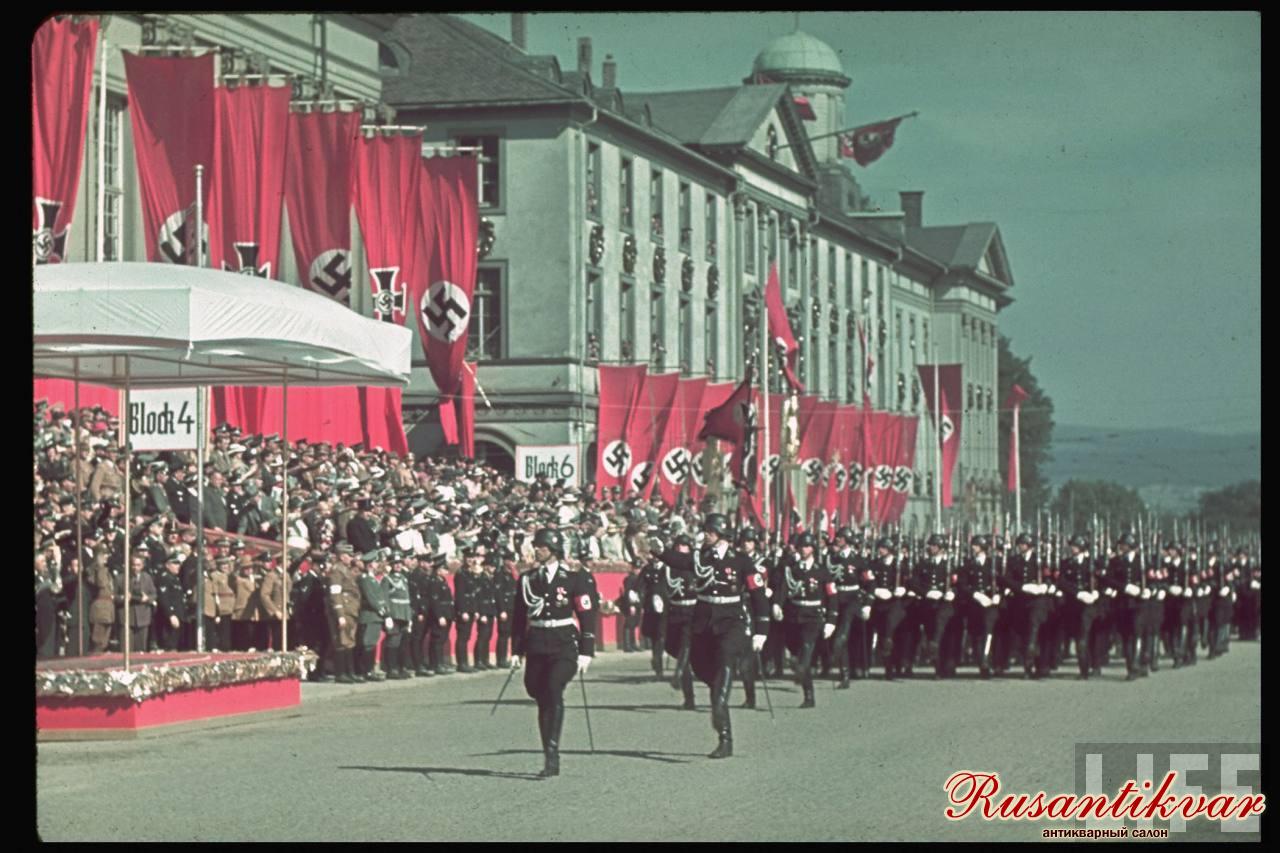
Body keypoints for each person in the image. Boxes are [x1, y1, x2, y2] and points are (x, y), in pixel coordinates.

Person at [510, 527, 596, 778]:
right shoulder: (527, 579)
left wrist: (587, 650)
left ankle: (551, 753)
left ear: (554, 550)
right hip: (537, 641)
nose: (537, 550)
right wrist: (516, 650)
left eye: (542, 546)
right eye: (536, 546)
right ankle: (548, 746)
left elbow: (586, 614)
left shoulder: (573, 579)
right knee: (537, 692)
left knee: (553, 688)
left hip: (564, 643)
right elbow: (518, 617)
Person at [686, 514, 769, 758]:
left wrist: (762, 631)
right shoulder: (702, 557)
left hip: (732, 624)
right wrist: (655, 549)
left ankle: (725, 737)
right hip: (705, 625)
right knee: (699, 665)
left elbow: (758, 596)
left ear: (721, 535)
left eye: (710, 531)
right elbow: (678, 560)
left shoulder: (742, 561)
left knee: (724, 664)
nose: (706, 535)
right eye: (705, 530)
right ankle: (719, 697)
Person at [778, 531, 836, 707]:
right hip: (794, 616)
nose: (804, 550)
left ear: (813, 549)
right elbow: (783, 589)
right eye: (802, 546)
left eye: (808, 546)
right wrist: (777, 605)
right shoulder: (793, 569)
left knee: (806, 649)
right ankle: (806, 685)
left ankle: (808, 695)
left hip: (813, 617)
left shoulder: (822, 571)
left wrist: (831, 620)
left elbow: (832, 597)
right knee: (795, 653)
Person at [656, 533, 698, 709]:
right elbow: (660, 587)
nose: (681, 548)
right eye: (678, 545)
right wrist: (657, 598)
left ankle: (678, 674)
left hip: (693, 611)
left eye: (684, 545)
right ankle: (689, 697)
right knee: (675, 648)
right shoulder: (667, 569)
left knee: (685, 647)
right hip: (674, 611)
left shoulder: (696, 566)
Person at [356, 552, 391, 681]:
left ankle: (369, 670)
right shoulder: (365, 579)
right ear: (370, 564)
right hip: (369, 615)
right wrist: (383, 612)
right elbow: (371, 598)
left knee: (371, 643)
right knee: (368, 644)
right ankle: (365, 671)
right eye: (375, 562)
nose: (377, 565)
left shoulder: (371, 579)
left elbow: (380, 597)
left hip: (375, 616)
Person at [382, 553, 413, 678]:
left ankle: (402, 667)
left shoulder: (404, 579)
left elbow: (407, 598)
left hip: (404, 614)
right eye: (395, 563)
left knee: (403, 642)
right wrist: (387, 616)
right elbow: (384, 598)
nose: (398, 565)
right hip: (394, 614)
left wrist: (409, 617)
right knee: (393, 642)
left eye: (399, 563)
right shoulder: (387, 579)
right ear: (391, 565)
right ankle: (392, 668)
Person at [426, 555, 456, 674]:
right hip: (440, 615)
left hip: (447, 613)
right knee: (437, 640)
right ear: (438, 570)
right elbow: (434, 601)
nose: (446, 571)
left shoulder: (442, 581)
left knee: (442, 639)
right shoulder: (434, 582)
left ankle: (439, 663)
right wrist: (439, 616)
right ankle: (436, 664)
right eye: (444, 569)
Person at [154, 552, 188, 651]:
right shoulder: (165, 578)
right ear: (167, 565)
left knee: (175, 644)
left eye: (179, 564)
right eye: (175, 563)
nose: (178, 566)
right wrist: (171, 614)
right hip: (169, 617)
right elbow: (164, 598)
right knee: (169, 646)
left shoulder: (175, 578)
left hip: (178, 615)